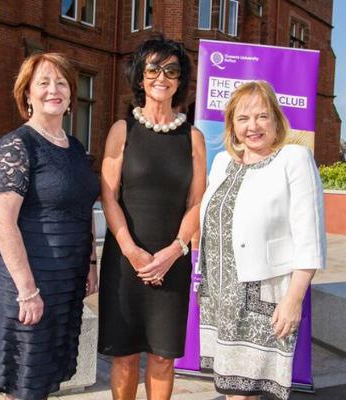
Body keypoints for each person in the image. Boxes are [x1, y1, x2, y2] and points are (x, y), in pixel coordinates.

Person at [0, 53, 100, 400]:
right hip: (26, 283)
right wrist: (27, 290)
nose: (53, 89)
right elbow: (1, 221)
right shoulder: (18, 145)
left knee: (44, 380)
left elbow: (84, 207)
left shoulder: (75, 148)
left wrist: (91, 263)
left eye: (61, 82)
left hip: (64, 284)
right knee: (24, 382)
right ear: (27, 94)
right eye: (44, 82)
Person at [198, 80, 326, 400]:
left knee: (243, 392)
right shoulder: (222, 162)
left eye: (261, 116)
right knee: (232, 389)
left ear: (275, 119)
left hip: (260, 296)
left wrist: (294, 298)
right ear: (232, 125)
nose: (252, 126)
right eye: (243, 119)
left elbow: (309, 235)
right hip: (219, 296)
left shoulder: (293, 159)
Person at [98, 36, 206, 400]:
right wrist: (131, 251)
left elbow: (196, 202)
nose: (163, 77)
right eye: (154, 68)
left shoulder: (193, 137)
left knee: (162, 358)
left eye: (172, 70)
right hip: (126, 261)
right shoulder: (122, 130)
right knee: (125, 357)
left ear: (181, 80)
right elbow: (109, 196)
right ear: (140, 76)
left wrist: (173, 251)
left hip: (171, 263)